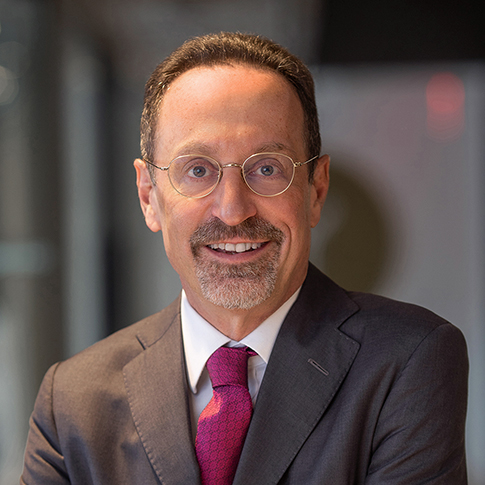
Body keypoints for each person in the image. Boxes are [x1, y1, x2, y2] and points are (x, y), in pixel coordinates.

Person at [21, 32, 468, 484]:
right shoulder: (72, 403)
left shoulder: (407, 361)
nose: (233, 210)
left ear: (316, 189)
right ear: (149, 196)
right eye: (198, 170)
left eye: (267, 168)